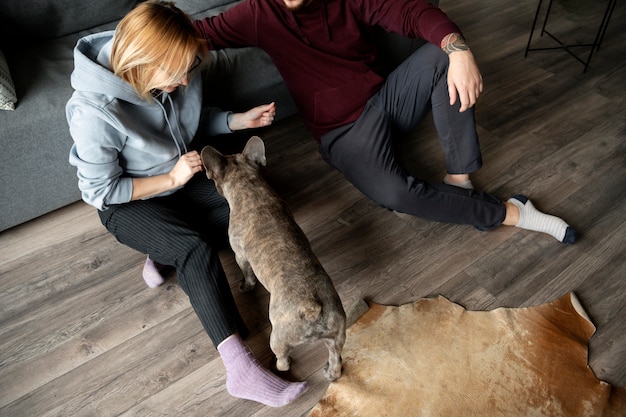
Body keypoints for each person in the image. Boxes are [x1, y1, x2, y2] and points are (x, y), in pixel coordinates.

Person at [66, 0, 307, 407]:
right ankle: (240, 370)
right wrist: (171, 178)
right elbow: (98, 191)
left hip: (178, 179)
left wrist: (236, 121)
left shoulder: (177, 65)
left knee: (248, 209)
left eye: (187, 70)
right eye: (174, 74)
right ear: (141, 62)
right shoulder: (93, 112)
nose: (183, 80)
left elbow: (188, 119)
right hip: (127, 200)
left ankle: (163, 248)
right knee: (194, 248)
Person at [194, 0, 577, 244]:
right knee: (396, 196)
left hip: (387, 99)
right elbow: (196, 32)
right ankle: (511, 212)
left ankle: (459, 180)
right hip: (343, 132)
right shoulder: (257, 14)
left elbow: (412, 11)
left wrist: (458, 49)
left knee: (443, 55)